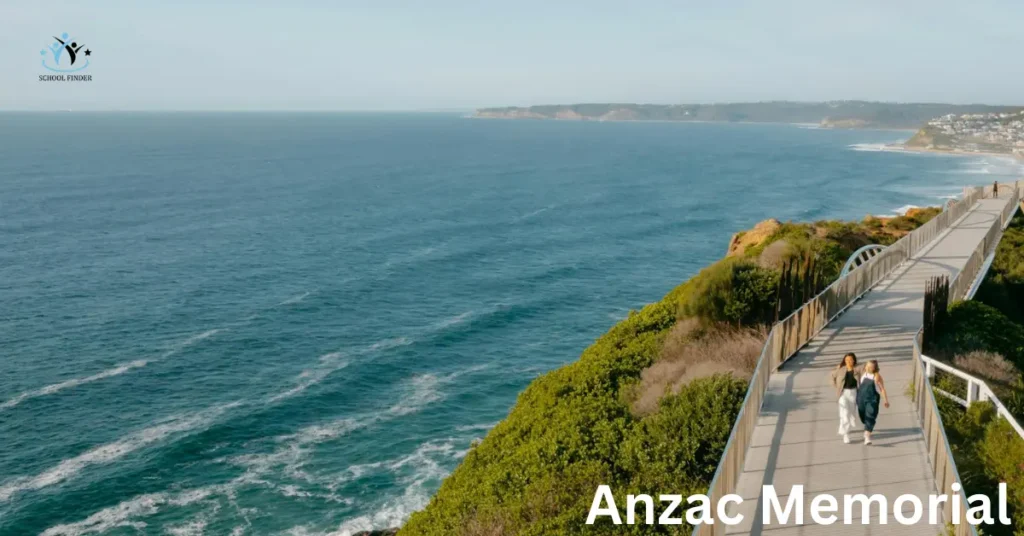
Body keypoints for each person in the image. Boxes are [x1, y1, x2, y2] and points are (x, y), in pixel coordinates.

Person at [830, 352, 862, 444]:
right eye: (846, 360)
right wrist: (837, 386)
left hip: (853, 392)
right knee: (845, 413)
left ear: (854, 360)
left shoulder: (857, 369)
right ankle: (846, 434)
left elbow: (867, 369)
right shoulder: (841, 369)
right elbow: (832, 376)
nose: (848, 361)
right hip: (843, 393)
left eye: (850, 360)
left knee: (851, 411)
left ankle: (848, 421)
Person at [857, 360, 890, 445]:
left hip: (872, 399)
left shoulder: (876, 376)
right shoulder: (863, 373)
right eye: (867, 366)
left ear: (875, 368)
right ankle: (867, 426)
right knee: (862, 415)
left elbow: (882, 389)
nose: (868, 368)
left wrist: (885, 400)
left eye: (871, 367)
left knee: (870, 415)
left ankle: (867, 436)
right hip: (861, 398)